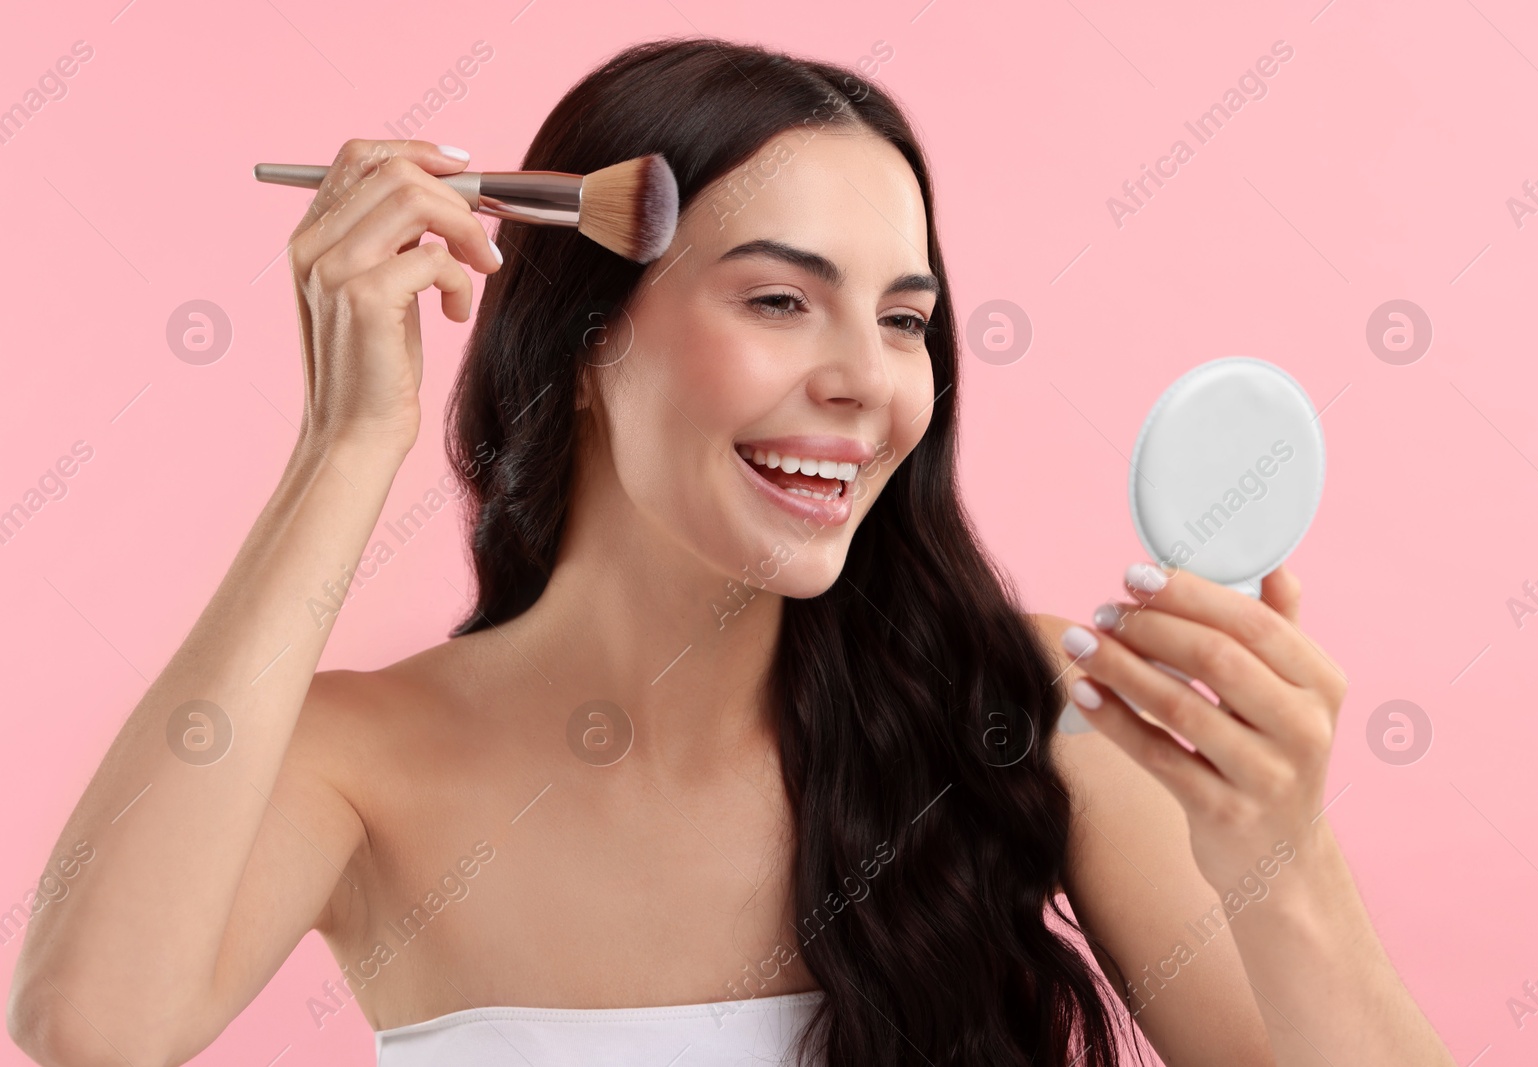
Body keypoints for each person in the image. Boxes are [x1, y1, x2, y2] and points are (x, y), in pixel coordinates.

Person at [7, 36, 1452, 1067]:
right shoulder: (357, 764)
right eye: (779, 301)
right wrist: (343, 446)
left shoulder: (1024, 714)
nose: (865, 381)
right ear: (585, 339)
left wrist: (1285, 856)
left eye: (901, 318)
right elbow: (88, 1030)